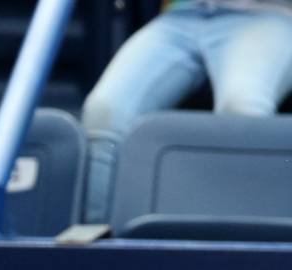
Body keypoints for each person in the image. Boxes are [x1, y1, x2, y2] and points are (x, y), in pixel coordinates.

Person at [80, 0, 292, 224]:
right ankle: (94, 231)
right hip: (181, 15)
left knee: (242, 108)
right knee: (104, 111)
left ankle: (246, 237)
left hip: (269, 13)